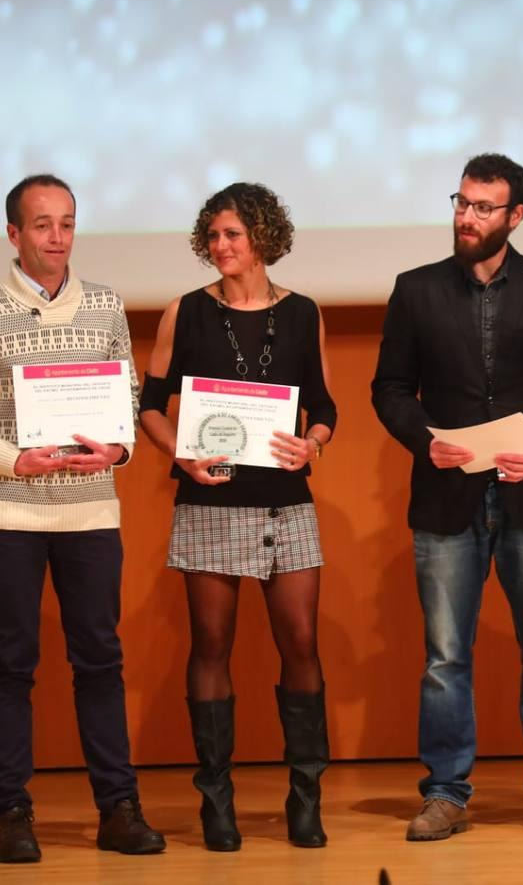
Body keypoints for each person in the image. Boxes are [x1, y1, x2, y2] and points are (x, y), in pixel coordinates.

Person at [0, 174, 165, 863]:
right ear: (13, 233)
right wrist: (8, 459)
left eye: (66, 223)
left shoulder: (106, 306)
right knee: (12, 664)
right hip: (10, 512)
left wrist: (117, 448)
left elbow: (126, 393)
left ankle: (118, 809)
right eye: (41, 225)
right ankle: (13, 812)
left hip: (90, 513)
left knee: (100, 660)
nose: (56, 238)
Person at [371, 153, 523, 841]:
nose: (465, 217)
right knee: (446, 656)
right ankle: (445, 793)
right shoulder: (415, 289)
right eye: (461, 202)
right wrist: (423, 439)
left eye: (481, 208)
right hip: (446, 494)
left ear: (516, 216)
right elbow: (389, 388)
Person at [138, 182, 337, 851]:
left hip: (287, 499)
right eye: (212, 236)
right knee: (211, 647)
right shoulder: (183, 312)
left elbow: (327, 410)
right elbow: (151, 405)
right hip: (209, 497)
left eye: (233, 235)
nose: (220, 247)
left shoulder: (305, 312)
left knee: (301, 644)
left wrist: (311, 442)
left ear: (263, 239)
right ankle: (215, 802)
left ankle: (305, 798)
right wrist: (181, 455)